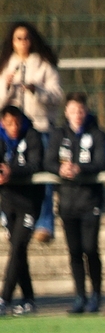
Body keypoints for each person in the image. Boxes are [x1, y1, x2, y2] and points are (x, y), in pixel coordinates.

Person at [45, 93, 105, 313]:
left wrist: (80, 169)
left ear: (86, 111)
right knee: (74, 251)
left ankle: (96, 294)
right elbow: (48, 161)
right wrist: (60, 169)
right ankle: (80, 296)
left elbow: (102, 162)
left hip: (90, 201)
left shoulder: (97, 134)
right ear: (66, 112)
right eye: (73, 111)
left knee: (90, 249)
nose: (77, 115)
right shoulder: (59, 134)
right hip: (67, 202)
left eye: (80, 110)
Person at [0, 21, 63, 244]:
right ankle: (9, 220)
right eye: (18, 38)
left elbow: (57, 96)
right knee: (8, 173)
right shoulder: (5, 66)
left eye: (26, 38)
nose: (22, 42)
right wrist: (7, 86)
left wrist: (37, 90)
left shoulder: (44, 65)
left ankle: (44, 223)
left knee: (43, 177)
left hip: (40, 127)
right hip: (11, 132)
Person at [0, 105, 44, 316]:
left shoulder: (32, 136)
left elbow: (35, 165)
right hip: (8, 202)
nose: (14, 127)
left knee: (17, 248)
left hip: (29, 203)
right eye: (9, 123)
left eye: (17, 122)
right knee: (19, 251)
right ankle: (29, 299)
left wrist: (12, 172)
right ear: (3, 123)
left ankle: (4, 298)